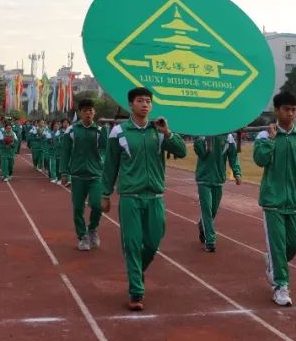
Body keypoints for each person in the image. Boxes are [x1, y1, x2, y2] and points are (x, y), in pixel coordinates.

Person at [101, 87, 186, 311]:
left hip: (156, 197)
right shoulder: (118, 131)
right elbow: (110, 165)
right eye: (140, 101)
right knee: (131, 244)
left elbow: (181, 151)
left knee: (152, 243)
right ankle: (136, 291)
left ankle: (137, 272)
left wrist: (167, 132)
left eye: (148, 101)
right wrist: (105, 194)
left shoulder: (158, 130)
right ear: (131, 105)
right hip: (130, 197)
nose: (145, 104)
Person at [253, 91, 296, 307]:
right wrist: (272, 141)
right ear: (277, 110)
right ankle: (280, 286)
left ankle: (274, 265)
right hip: (273, 201)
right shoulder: (264, 137)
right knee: (277, 245)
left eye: (294, 109)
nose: (291, 113)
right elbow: (260, 160)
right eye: (286, 109)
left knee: (295, 243)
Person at [60, 99, 107, 251]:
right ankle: (82, 236)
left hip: (95, 175)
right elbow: (65, 152)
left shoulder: (100, 131)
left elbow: (106, 150)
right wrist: (64, 172)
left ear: (94, 112)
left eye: (91, 110)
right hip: (78, 175)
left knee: (96, 205)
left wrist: (102, 162)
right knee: (78, 209)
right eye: (85, 110)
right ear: (79, 113)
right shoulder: (71, 130)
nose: (88, 113)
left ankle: (92, 228)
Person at [194, 132, 242, 252]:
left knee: (213, 211)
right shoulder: (202, 133)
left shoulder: (228, 137)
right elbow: (200, 153)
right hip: (203, 179)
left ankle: (202, 224)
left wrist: (237, 172)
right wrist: (203, 139)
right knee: (207, 210)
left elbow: (233, 156)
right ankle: (210, 241)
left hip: (219, 179)